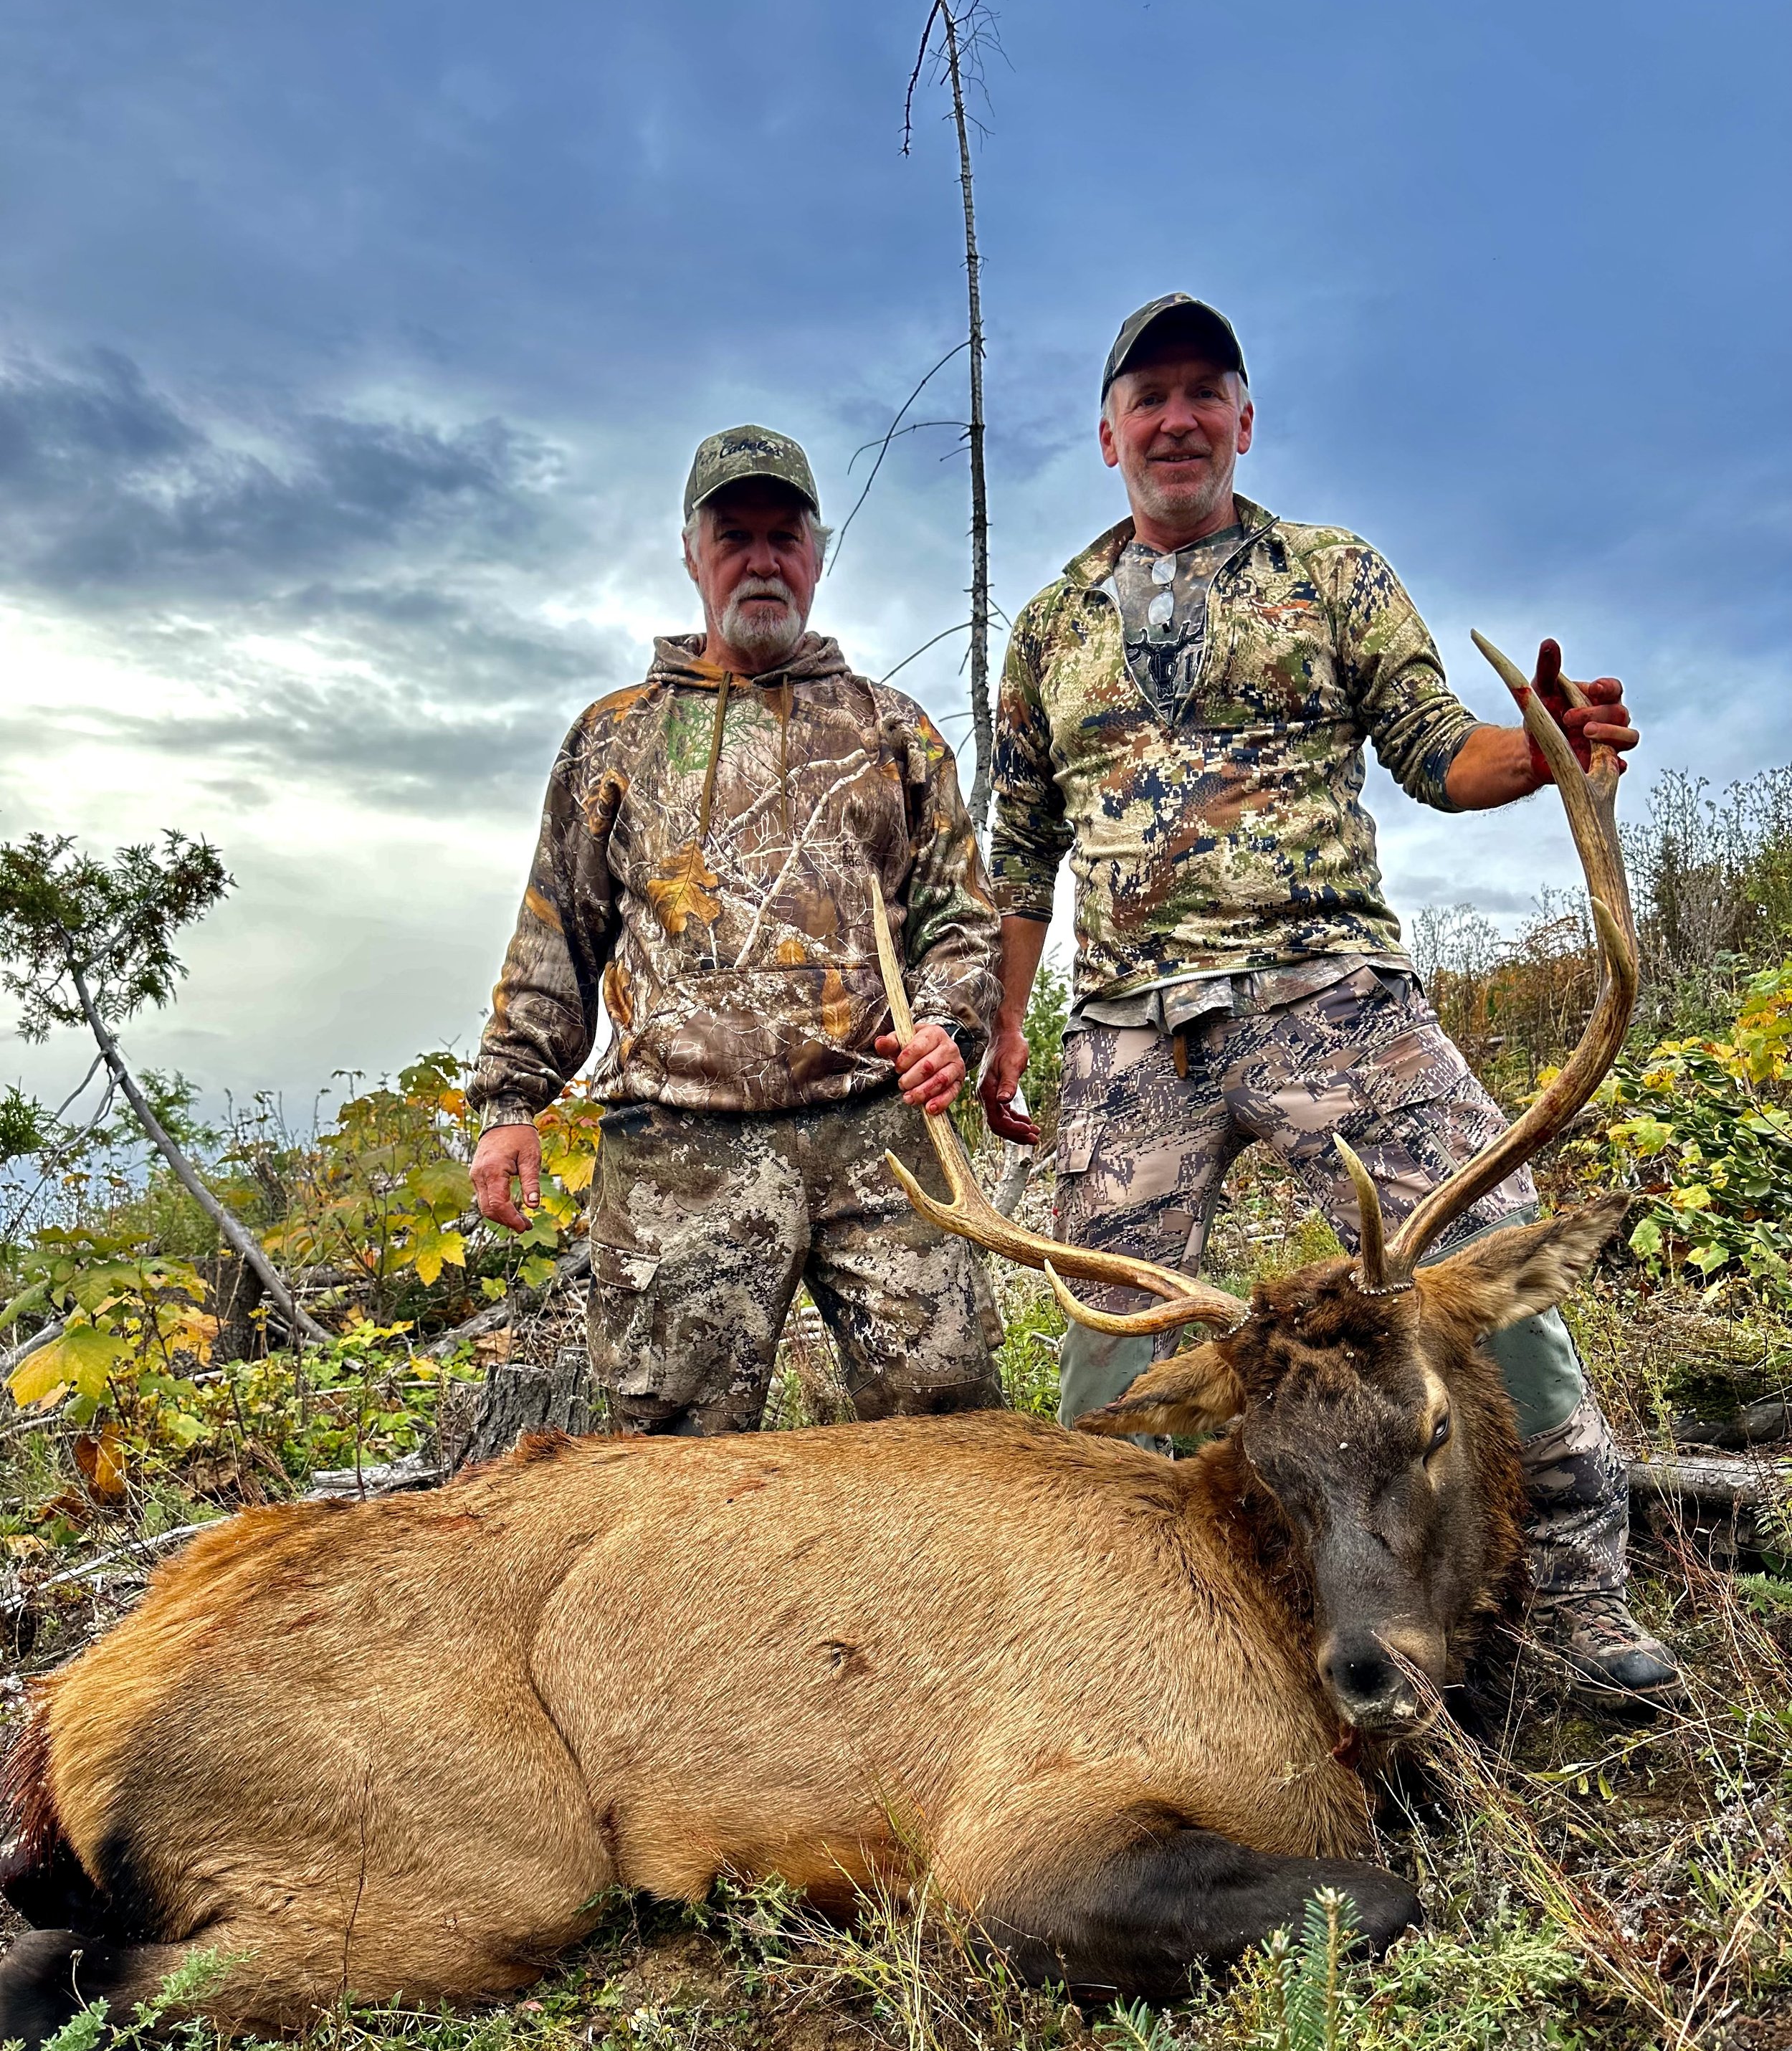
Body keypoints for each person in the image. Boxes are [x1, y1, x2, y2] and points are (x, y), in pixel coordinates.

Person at [980, 294, 1674, 1701]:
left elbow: (1435, 749)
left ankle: (1579, 1605)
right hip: (1129, 1039)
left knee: (1499, 1259)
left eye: (1203, 392)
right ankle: (1130, 1642)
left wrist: (1539, 749)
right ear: (1104, 430)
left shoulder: (1330, 570)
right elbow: (1021, 849)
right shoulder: (1050, 620)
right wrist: (1003, 1023)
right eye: (1147, 397)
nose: (1175, 418)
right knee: (1106, 1357)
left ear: (1243, 419)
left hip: (1333, 1003)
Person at [470, 424, 1004, 1434]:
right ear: (691, 553)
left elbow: (961, 921)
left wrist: (950, 1029)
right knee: (672, 1473)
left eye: (783, 536)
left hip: (878, 1134)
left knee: (956, 1440)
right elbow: (556, 937)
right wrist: (508, 1100)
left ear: (817, 551)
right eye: (734, 536)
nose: (761, 560)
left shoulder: (891, 731)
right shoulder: (615, 737)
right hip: (679, 1148)